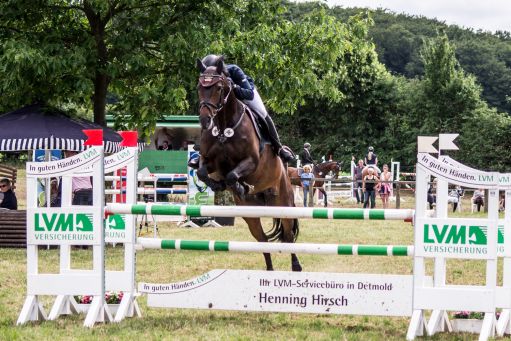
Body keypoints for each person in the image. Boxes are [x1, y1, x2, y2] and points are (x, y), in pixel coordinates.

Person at [189, 54, 294, 168]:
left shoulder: (233, 70)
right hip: (222, 102)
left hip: (245, 95)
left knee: (263, 114)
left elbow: (249, 94)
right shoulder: (206, 76)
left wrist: (233, 87)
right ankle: (202, 153)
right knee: (206, 115)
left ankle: (279, 148)